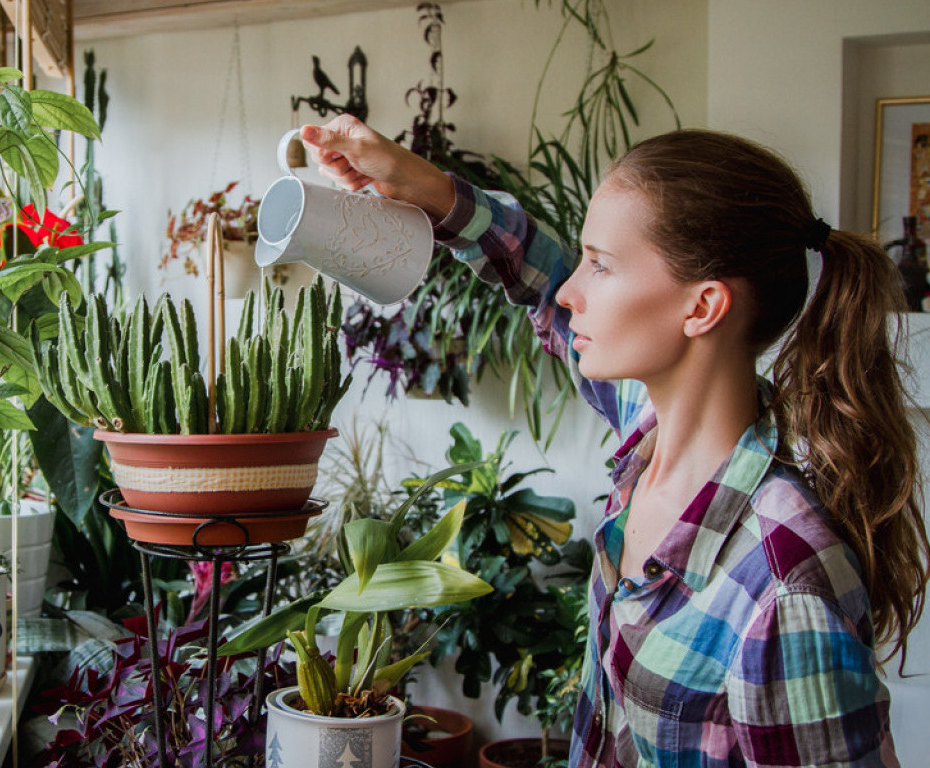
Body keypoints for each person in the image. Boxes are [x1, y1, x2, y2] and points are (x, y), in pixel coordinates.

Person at [300, 115, 930, 767]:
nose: (573, 290)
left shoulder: (784, 580)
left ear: (702, 307)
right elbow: (538, 275)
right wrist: (427, 189)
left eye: (600, 266)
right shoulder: (647, 427)